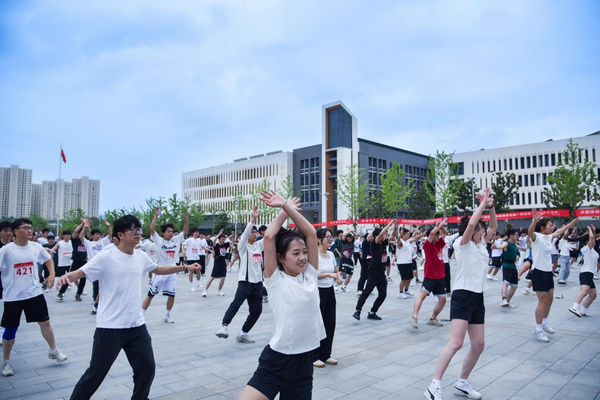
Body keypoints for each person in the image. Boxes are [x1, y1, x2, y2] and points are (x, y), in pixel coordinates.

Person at [56, 215, 200, 399]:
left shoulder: (141, 256)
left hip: (136, 325)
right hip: (110, 327)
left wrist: (184, 267)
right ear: (120, 235)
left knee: (147, 368)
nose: (138, 233)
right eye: (133, 230)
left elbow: (157, 269)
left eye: (139, 229)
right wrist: (66, 277)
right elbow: (81, 272)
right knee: (96, 373)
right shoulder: (107, 256)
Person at [238, 191, 325, 399]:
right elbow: (269, 237)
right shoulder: (275, 279)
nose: (303, 257)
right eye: (296, 253)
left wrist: (287, 206)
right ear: (281, 258)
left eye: (304, 252)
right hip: (277, 360)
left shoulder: (310, 276)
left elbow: (311, 234)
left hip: (304, 362)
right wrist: (284, 209)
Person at [425, 188, 496, 400]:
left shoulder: (481, 244)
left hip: (477, 296)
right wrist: (482, 204)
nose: (483, 232)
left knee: (479, 344)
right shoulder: (462, 244)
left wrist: (490, 206)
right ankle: (434, 385)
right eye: (479, 229)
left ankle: (462, 382)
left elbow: (493, 226)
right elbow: (472, 224)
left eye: (483, 230)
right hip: (462, 295)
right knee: (456, 343)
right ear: (470, 230)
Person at [1, 218, 67, 377]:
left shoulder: (36, 247)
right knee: (10, 329)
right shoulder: (5, 251)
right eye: (25, 228)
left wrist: (51, 274)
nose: (30, 230)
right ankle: (6, 362)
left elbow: (48, 259)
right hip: (13, 296)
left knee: (45, 322)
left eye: (31, 228)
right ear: (16, 231)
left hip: (34, 293)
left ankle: (53, 351)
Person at [528, 209, 579, 343]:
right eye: (550, 225)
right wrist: (534, 221)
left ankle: (544, 322)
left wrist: (570, 224)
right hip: (538, 271)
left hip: (547, 271)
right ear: (543, 228)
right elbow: (530, 233)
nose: (552, 226)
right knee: (542, 300)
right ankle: (538, 329)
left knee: (550, 298)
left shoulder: (548, 237)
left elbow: (559, 232)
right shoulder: (536, 237)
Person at [216, 206, 265, 343]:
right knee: (236, 304)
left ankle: (243, 333)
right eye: (252, 232)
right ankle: (224, 327)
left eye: (256, 233)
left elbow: (271, 235)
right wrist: (253, 219)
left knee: (257, 311)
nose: (254, 234)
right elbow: (244, 236)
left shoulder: (259, 245)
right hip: (245, 282)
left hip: (257, 284)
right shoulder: (243, 246)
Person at [142, 207, 188, 323]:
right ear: (163, 233)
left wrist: (186, 220)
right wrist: (156, 216)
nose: (171, 233)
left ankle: (167, 315)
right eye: (168, 231)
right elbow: (152, 229)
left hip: (172, 273)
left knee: (172, 295)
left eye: (172, 231)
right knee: (151, 294)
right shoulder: (158, 240)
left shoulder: (176, 240)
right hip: (160, 271)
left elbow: (185, 231)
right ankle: (141, 314)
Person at [353, 220, 397, 321]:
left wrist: (395, 227)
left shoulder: (383, 243)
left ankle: (372, 312)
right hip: (373, 272)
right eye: (384, 234)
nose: (385, 235)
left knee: (383, 295)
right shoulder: (374, 243)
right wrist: (389, 224)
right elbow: (381, 233)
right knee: (367, 292)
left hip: (381, 273)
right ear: (378, 236)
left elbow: (392, 236)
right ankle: (358, 310)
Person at [409, 219, 448, 329]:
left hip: (440, 277)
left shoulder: (439, 244)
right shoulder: (428, 245)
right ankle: (414, 317)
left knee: (443, 300)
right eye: (437, 234)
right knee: (422, 296)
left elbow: (445, 233)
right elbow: (431, 233)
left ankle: (432, 318)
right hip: (430, 277)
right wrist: (440, 224)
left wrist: (441, 227)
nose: (439, 236)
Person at [313, 228, 341, 368]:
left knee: (330, 322)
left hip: (329, 291)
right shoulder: (314, 255)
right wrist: (330, 276)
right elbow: (314, 275)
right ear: (319, 239)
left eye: (331, 237)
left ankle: (326, 354)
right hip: (317, 292)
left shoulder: (330, 254)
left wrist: (338, 278)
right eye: (327, 237)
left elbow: (336, 271)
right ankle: (315, 355)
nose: (330, 239)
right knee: (318, 323)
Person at [83, 219, 112, 314]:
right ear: (92, 235)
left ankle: (99, 302)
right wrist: (85, 226)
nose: (98, 236)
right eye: (96, 234)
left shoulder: (102, 242)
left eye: (99, 234)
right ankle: (95, 302)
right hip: (93, 266)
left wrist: (108, 226)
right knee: (96, 285)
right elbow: (80, 236)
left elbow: (110, 236)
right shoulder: (89, 243)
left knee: (103, 285)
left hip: (103, 266)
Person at [569, 226, 598, 317]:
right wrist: (589, 230)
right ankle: (574, 307)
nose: (594, 241)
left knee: (593, 295)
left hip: (590, 274)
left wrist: (593, 230)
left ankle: (583, 310)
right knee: (584, 291)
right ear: (587, 241)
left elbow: (593, 237)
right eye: (591, 240)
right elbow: (592, 238)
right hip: (586, 273)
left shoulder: (592, 250)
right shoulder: (586, 249)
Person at [393, 228, 424, 299]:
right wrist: (400, 234)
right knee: (404, 278)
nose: (408, 235)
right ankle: (400, 292)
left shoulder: (407, 241)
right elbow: (398, 240)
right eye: (407, 234)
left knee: (410, 277)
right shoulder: (400, 242)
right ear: (403, 235)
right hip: (402, 263)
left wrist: (422, 234)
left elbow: (414, 238)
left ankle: (406, 290)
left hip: (409, 262)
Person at [203, 231, 228, 296]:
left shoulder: (225, 245)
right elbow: (214, 241)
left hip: (223, 263)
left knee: (223, 277)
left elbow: (232, 243)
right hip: (217, 263)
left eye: (224, 239)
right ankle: (205, 290)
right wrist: (219, 234)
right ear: (219, 239)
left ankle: (219, 291)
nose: (223, 240)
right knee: (212, 277)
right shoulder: (216, 245)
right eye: (222, 239)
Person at [499, 229, 520, 308]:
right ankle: (504, 299)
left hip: (513, 266)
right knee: (506, 283)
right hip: (507, 266)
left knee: (514, 285)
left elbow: (520, 248)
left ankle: (507, 301)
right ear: (511, 235)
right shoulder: (506, 243)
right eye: (516, 235)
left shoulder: (514, 244)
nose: (517, 236)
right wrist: (496, 247)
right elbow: (501, 246)